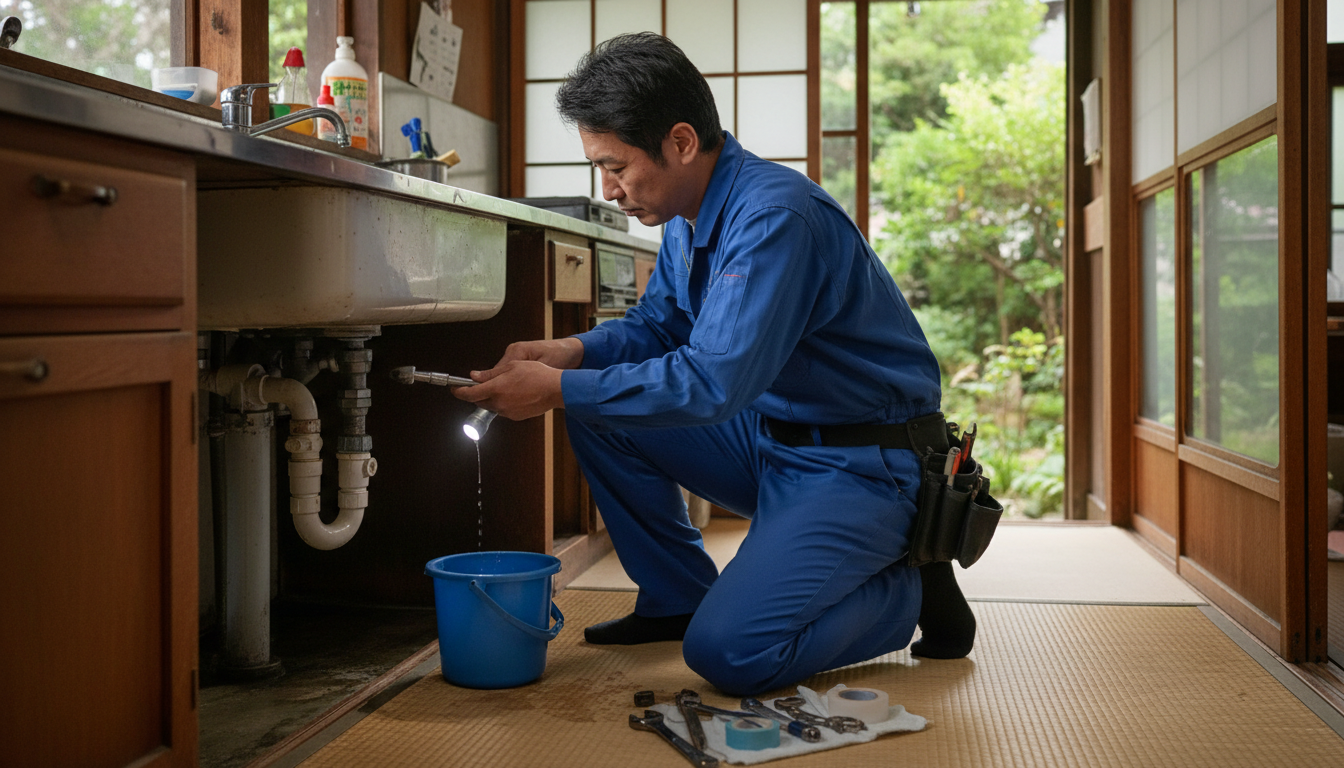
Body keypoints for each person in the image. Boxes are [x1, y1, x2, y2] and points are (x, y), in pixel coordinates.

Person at [454, 32, 975, 696]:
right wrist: (571, 353)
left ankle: (908, 586)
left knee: (731, 653)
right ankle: (677, 597)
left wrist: (558, 388)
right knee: (597, 410)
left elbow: (711, 383)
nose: (609, 190)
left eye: (616, 166)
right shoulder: (685, 214)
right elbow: (660, 325)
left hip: (861, 463)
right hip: (773, 443)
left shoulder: (775, 218)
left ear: (680, 142)